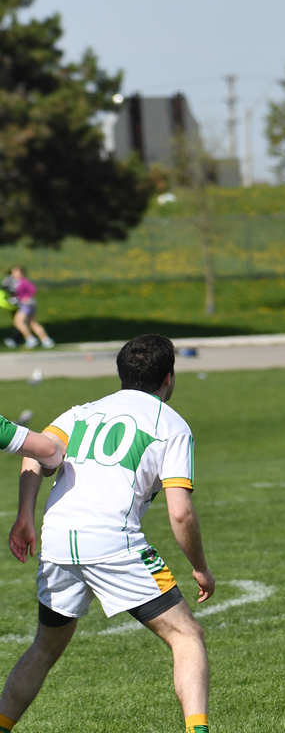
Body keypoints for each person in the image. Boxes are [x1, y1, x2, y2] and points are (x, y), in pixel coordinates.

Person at [0, 334, 215, 733]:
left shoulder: (80, 413)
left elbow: (38, 450)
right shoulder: (171, 425)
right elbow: (181, 514)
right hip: (113, 542)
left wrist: (25, 514)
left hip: (58, 541)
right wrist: (200, 567)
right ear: (168, 378)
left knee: (45, 647)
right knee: (187, 637)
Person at [4, 268, 52, 349]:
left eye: (16, 272)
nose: (13, 274)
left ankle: (30, 339)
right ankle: (46, 340)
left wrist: (26, 297)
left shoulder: (23, 281)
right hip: (26, 304)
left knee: (18, 322)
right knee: (32, 323)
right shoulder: (14, 282)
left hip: (27, 304)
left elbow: (33, 289)